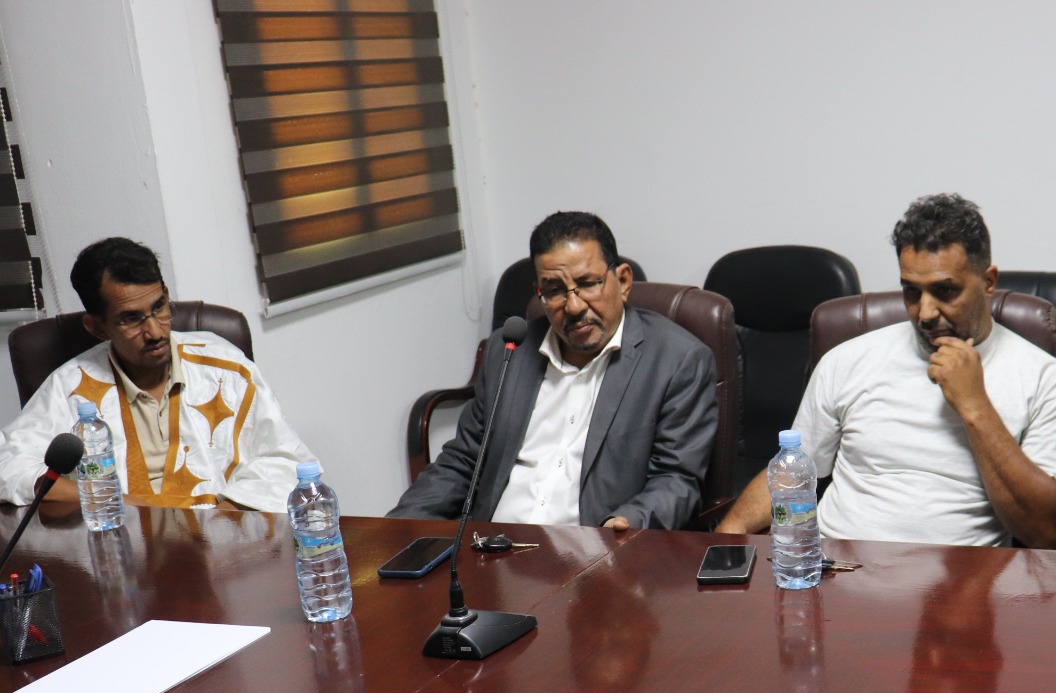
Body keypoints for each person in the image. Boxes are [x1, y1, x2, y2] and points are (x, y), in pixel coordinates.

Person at [716, 193, 1056, 548]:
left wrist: (975, 406)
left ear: (988, 282)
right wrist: (729, 534)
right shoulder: (848, 360)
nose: (925, 313)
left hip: (959, 579)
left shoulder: (1044, 379)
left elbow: (1046, 533)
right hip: (839, 566)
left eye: (945, 291)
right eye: (911, 291)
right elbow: (794, 472)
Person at [390, 211, 716, 530]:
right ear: (539, 292)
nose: (573, 306)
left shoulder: (677, 360)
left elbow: (676, 480)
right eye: (555, 290)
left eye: (588, 284)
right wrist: (394, 529)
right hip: (491, 547)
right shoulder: (509, 352)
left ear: (623, 281)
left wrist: (627, 523)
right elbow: (464, 460)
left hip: (592, 549)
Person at [0, 237, 314, 511]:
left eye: (159, 307)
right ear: (96, 327)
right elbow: (7, 466)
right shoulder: (70, 387)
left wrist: (224, 519)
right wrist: (111, 500)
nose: (155, 331)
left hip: (222, 539)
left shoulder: (226, 367)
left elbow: (286, 460)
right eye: (131, 319)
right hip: (122, 543)